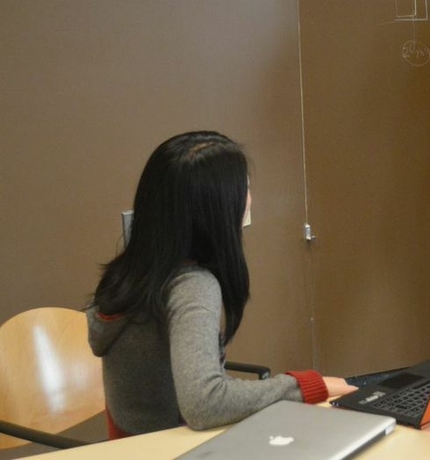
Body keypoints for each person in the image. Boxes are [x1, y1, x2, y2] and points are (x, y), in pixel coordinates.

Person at [87, 131, 356, 437]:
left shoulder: (128, 273)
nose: (250, 198)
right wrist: (307, 385)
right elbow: (204, 404)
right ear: (216, 208)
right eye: (245, 188)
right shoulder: (191, 287)